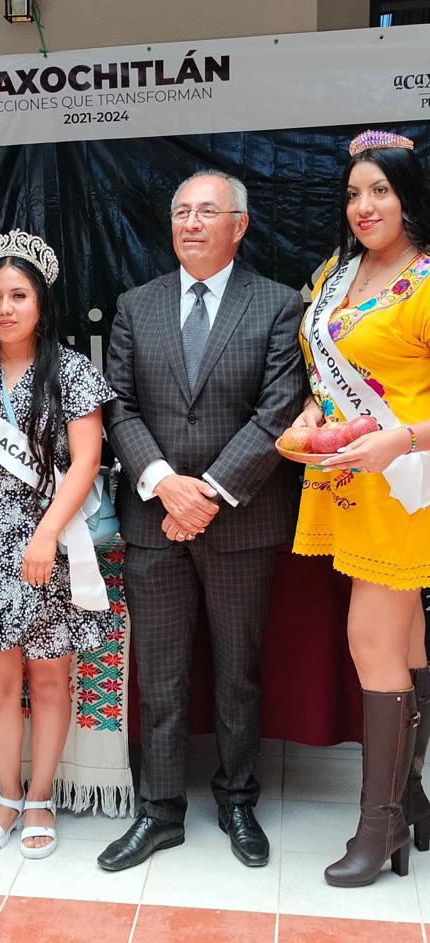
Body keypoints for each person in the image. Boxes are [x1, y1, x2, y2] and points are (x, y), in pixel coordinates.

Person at [100, 169, 305, 871]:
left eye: (207, 211)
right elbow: (118, 405)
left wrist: (207, 494)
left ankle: (238, 799)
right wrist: (164, 484)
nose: (191, 222)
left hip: (240, 521)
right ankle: (159, 811)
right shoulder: (136, 304)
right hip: (154, 519)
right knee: (159, 675)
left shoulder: (277, 304)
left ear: (239, 226)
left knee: (238, 672)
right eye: (182, 211)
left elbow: (278, 411)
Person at [292, 129, 430, 887]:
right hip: (348, 477)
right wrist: (315, 414)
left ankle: (379, 827)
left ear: (410, 196)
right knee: (405, 643)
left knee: (370, 641)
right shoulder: (338, 274)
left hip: (404, 485)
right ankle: (412, 801)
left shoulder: (427, 279)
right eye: (353, 193)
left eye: (381, 190)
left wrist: (399, 438)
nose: (364, 206)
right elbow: (325, 373)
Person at [0, 230, 116, 859]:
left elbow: (86, 461)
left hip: (54, 544)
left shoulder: (71, 371)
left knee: (49, 679)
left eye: (18, 295)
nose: (5, 308)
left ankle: (42, 796)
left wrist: (46, 533)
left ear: (42, 302)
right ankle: (6, 795)